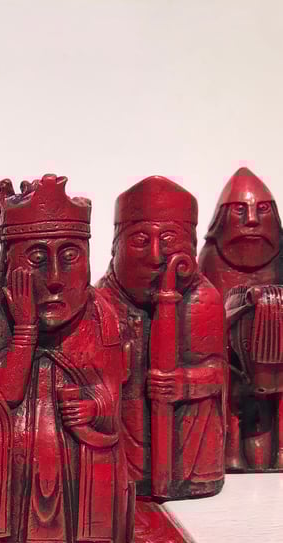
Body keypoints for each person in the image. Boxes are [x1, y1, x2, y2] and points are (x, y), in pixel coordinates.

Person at [0, 174, 132, 543]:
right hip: (5, 483)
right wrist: (25, 330)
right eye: (37, 259)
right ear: (8, 263)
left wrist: (94, 406)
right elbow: (1, 396)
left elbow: (113, 397)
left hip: (80, 472)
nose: (55, 279)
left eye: (70, 256)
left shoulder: (103, 319)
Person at [96, 176, 226, 500]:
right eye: (140, 240)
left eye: (169, 239)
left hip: (188, 445)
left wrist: (185, 383)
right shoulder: (99, 302)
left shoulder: (204, 299)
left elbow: (220, 374)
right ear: (115, 246)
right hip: (121, 441)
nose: (155, 256)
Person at [199, 167, 283, 471]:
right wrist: (245, 305)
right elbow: (209, 316)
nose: (251, 220)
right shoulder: (211, 259)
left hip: (274, 359)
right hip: (230, 359)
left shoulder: (280, 257)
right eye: (240, 210)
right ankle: (229, 449)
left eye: (262, 210)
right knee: (227, 384)